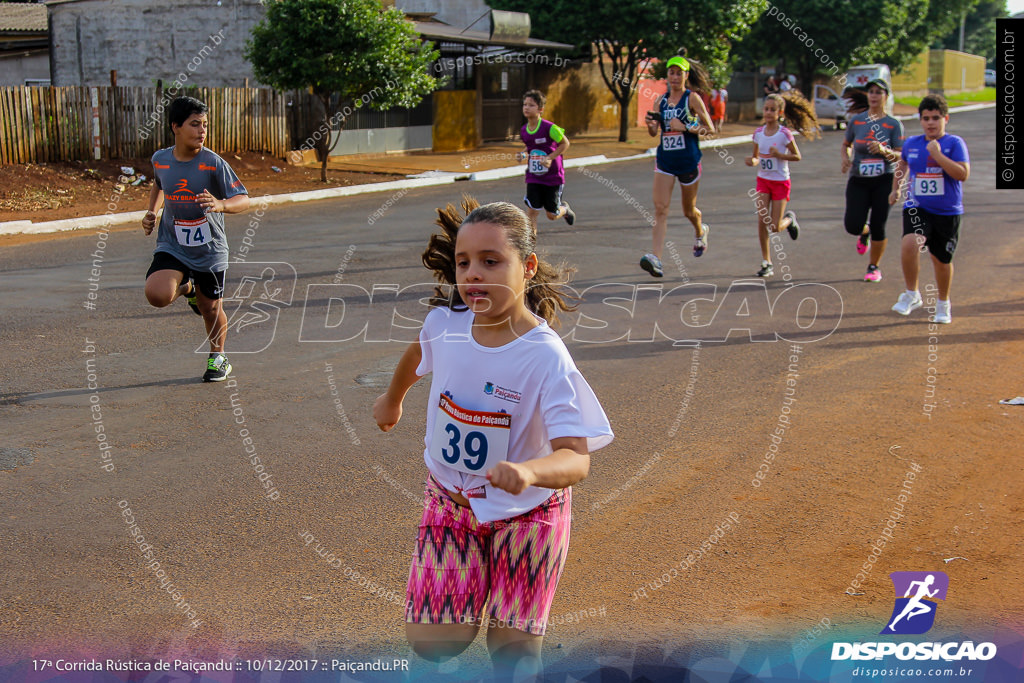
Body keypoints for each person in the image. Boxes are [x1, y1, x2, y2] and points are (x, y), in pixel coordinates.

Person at [372, 199, 613, 679]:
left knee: (513, 654)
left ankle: (505, 610)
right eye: (464, 262)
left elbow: (575, 459)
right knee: (431, 640)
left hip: (529, 513)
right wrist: (392, 399)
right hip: (450, 504)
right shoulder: (446, 325)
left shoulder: (544, 355)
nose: (473, 274)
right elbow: (418, 353)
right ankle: (473, 587)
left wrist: (528, 471)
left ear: (528, 267)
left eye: (491, 261)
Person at [142, 96, 250, 382]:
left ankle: (218, 357)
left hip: (209, 249)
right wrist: (151, 212)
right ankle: (186, 287)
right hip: (173, 244)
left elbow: (243, 199)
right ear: (175, 126)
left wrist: (222, 204)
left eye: (204, 125)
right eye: (194, 124)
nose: (202, 131)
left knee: (210, 308)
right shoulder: (160, 160)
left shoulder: (213, 162)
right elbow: (158, 185)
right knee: (157, 294)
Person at [889, 94, 970, 324]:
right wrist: (896, 188)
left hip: (947, 211)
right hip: (918, 207)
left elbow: (962, 174)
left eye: (936, 118)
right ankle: (911, 293)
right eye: (926, 118)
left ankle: (943, 303)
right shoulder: (913, 143)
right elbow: (903, 162)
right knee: (910, 243)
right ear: (920, 120)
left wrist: (938, 155)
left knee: (941, 261)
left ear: (946, 118)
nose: (931, 123)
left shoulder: (954, 143)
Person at [640, 55, 715, 277]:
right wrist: (651, 126)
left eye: (678, 72)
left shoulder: (692, 99)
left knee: (688, 210)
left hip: (689, 162)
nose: (674, 76)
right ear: (667, 76)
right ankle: (656, 259)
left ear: (686, 76)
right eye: (671, 72)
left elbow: (709, 129)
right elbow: (654, 133)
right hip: (665, 161)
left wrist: (686, 127)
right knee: (660, 209)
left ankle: (700, 230)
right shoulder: (659, 102)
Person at [744, 92, 819, 277]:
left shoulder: (784, 134)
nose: (768, 113)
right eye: (766, 109)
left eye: (772, 110)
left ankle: (790, 220)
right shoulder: (758, 133)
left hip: (780, 182)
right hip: (763, 181)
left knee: (774, 227)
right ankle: (766, 261)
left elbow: (797, 156)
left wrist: (780, 155)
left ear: (780, 113)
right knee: (762, 220)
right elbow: (756, 157)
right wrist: (752, 161)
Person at [841, 78, 904, 282]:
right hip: (859, 180)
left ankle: (873, 266)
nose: (874, 95)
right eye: (871, 92)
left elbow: (901, 155)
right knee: (852, 225)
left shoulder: (893, 125)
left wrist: (884, 150)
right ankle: (863, 231)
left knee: (879, 224)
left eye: (879, 92)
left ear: (886, 96)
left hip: (883, 180)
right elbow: (846, 144)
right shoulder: (857, 121)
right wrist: (845, 158)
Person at [519, 89, 575, 231]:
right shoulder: (524, 130)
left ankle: (565, 210)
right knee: (531, 211)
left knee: (551, 214)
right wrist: (523, 154)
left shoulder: (550, 128)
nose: (526, 107)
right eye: (525, 104)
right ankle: (530, 247)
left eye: (531, 105)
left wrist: (550, 157)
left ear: (540, 109)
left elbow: (565, 143)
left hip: (552, 177)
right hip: (534, 176)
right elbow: (530, 147)